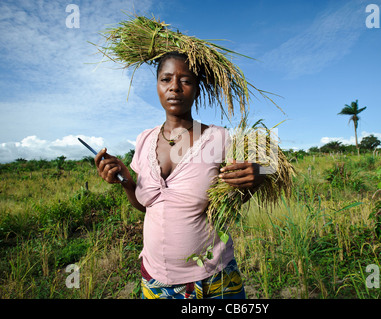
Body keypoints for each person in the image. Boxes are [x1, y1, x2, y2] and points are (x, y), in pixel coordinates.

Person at [94, 51, 265, 299]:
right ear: (157, 86)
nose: (174, 87)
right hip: (155, 281)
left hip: (213, 281)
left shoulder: (219, 138)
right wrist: (127, 182)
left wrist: (258, 174)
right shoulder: (144, 139)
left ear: (197, 89)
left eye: (185, 80)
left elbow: (267, 168)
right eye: (166, 79)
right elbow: (149, 206)